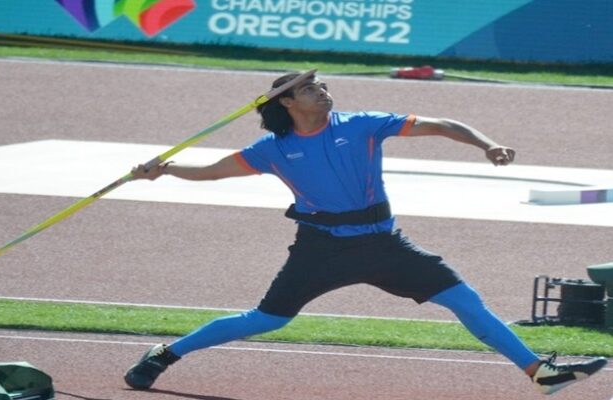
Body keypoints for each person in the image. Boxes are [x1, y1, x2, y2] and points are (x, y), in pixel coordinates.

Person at [124, 71, 607, 395]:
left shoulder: (362, 125)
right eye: (310, 89)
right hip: (322, 248)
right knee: (267, 320)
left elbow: (441, 124)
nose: (323, 90)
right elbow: (211, 171)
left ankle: (539, 372)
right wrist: (163, 170)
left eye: (322, 85)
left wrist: (487, 143)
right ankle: (165, 353)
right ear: (287, 102)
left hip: (384, 244)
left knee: (464, 300)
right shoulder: (272, 148)